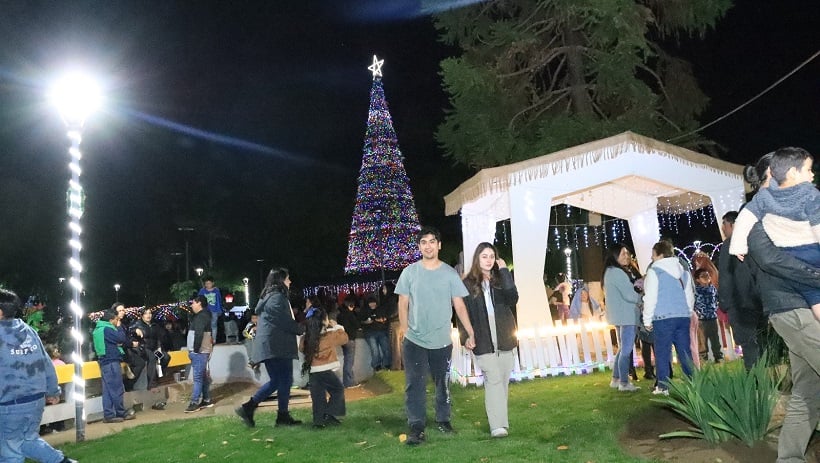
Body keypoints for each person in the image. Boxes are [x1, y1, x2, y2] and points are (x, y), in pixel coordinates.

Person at [394, 225, 476, 445]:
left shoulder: (449, 273)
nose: (428, 246)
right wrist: (404, 328)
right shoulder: (410, 272)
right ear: (419, 247)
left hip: (441, 340)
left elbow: (459, 305)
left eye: (432, 241)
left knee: (443, 382)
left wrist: (470, 331)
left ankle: (443, 419)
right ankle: (416, 426)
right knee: (415, 384)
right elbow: (403, 303)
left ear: (438, 245)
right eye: (423, 242)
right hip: (415, 340)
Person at [746, 221, 820, 463]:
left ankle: (789, 458)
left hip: (796, 310)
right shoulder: (762, 221)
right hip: (798, 310)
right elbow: (770, 259)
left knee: (806, 391)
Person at [729, 147, 820, 322]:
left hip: (799, 296)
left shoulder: (804, 198)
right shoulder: (756, 211)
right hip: (789, 302)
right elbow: (770, 258)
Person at [0, 289, 77, 463]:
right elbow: (46, 362)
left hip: (9, 402)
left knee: (8, 451)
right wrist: (53, 390)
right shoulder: (28, 331)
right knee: (28, 440)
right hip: (34, 400)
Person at [460, 242, 518, 438]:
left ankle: (501, 421)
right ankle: (497, 426)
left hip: (504, 334)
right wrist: (466, 336)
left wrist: (504, 271)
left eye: (492, 256)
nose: (488, 260)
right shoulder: (467, 283)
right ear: (477, 258)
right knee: (492, 379)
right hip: (482, 335)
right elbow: (461, 312)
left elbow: (513, 298)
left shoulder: (501, 280)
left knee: (502, 381)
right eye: (484, 256)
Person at [235, 268, 305, 428]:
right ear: (281, 281)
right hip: (276, 346)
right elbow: (284, 322)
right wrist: (303, 328)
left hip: (272, 345)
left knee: (278, 381)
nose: (290, 282)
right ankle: (276, 414)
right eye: (288, 279)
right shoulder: (277, 298)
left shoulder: (271, 297)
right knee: (284, 380)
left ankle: (253, 408)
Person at [642, 240, 696, 395]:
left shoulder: (654, 271)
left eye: (653, 255)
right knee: (685, 351)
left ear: (659, 255)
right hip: (682, 316)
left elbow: (650, 297)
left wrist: (647, 320)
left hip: (663, 318)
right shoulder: (683, 271)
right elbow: (689, 295)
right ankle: (692, 381)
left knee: (662, 352)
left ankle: (663, 386)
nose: (652, 259)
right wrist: (688, 311)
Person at [717, 210, 766, 370]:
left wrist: (724, 302)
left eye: (724, 224)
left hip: (740, 303)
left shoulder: (729, 245)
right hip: (759, 301)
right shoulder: (754, 241)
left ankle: (755, 382)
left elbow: (725, 276)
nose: (723, 229)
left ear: (732, 224)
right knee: (762, 344)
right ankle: (768, 380)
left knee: (748, 345)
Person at [602, 243, 642, 392]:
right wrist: (642, 296)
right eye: (623, 254)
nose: (627, 256)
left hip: (620, 315)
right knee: (626, 349)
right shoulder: (617, 273)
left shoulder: (611, 272)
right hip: (626, 315)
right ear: (614, 256)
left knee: (622, 348)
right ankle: (624, 382)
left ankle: (616, 379)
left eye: (627, 253)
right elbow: (629, 295)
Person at [300, 308, 348, 428]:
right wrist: (337, 326)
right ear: (324, 321)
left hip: (313, 370)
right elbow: (344, 338)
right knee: (338, 390)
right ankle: (330, 413)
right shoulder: (330, 335)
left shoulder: (306, 338)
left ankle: (318, 422)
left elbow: (301, 348)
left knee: (318, 396)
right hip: (326, 370)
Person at [92, 303, 136, 423]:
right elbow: (121, 339)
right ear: (111, 320)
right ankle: (121, 413)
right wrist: (119, 327)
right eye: (116, 320)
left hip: (104, 362)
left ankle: (109, 415)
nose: (117, 321)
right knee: (116, 389)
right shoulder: (107, 329)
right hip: (111, 362)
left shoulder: (98, 329)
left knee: (107, 390)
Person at [185, 295, 214, 412]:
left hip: (199, 352)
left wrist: (195, 350)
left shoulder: (201, 317)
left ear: (199, 303)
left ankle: (194, 402)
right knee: (202, 377)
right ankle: (206, 399)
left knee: (197, 378)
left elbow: (199, 334)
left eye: (193, 303)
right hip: (202, 351)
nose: (191, 305)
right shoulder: (203, 316)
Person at [693, 269, 723, 363]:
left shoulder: (713, 288)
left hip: (712, 317)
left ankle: (718, 356)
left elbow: (717, 299)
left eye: (707, 275)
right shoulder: (695, 291)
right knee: (702, 339)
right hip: (701, 319)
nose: (706, 277)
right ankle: (703, 358)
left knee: (715, 339)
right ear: (697, 279)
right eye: (703, 276)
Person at [360, 295, 391, 372]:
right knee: (375, 350)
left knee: (386, 348)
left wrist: (382, 320)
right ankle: (377, 366)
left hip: (381, 331)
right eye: (370, 303)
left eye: (373, 303)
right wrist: (365, 322)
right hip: (370, 332)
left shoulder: (380, 309)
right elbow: (360, 321)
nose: (372, 304)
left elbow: (386, 319)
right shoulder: (364, 311)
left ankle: (387, 364)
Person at [335, 296, 361, 387]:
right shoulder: (350, 314)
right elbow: (357, 325)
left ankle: (348, 381)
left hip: (343, 339)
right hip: (350, 339)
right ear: (351, 305)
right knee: (349, 361)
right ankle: (349, 382)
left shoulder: (339, 315)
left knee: (347, 360)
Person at [380, 282, 403, 370]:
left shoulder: (391, 298)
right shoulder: (398, 297)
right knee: (400, 346)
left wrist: (386, 317)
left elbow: (393, 311)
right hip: (401, 323)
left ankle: (396, 366)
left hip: (395, 323)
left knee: (395, 345)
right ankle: (403, 364)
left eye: (384, 289)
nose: (383, 291)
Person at [198, 276, 223, 344]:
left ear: (212, 283)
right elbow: (199, 300)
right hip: (205, 311)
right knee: (205, 325)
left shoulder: (216, 290)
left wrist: (219, 310)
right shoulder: (202, 291)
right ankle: (205, 340)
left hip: (214, 310)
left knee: (213, 325)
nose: (208, 285)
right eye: (206, 283)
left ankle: (214, 340)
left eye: (209, 283)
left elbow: (219, 301)